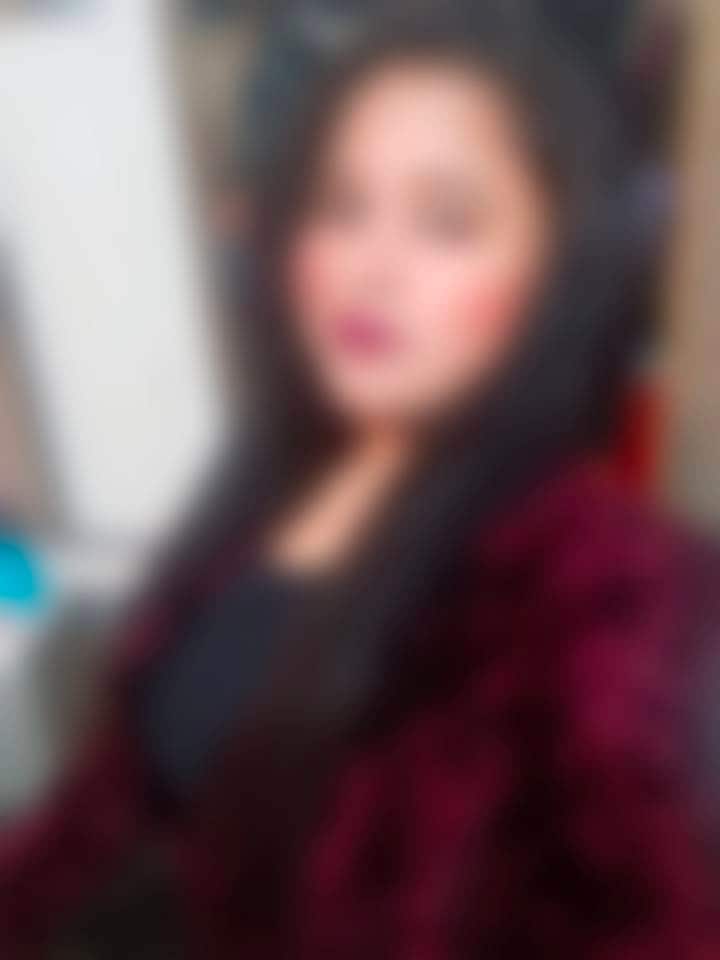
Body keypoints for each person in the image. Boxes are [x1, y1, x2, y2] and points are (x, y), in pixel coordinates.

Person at [3, 7, 720, 957]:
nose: (371, 269)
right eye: (340, 208)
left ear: (556, 271)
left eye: (447, 223)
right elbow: (115, 792)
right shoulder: (273, 479)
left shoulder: (608, 591)